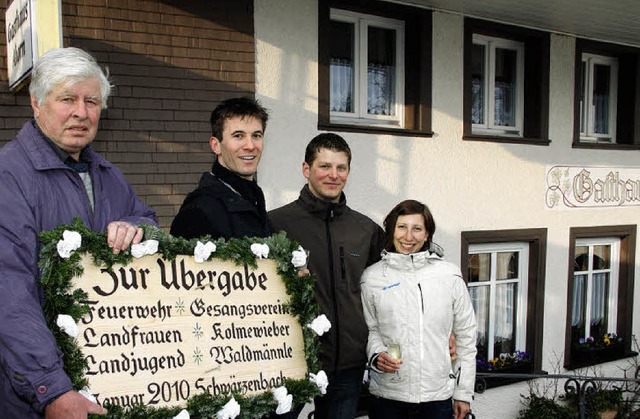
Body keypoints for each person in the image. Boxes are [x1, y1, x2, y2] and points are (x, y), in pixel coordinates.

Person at [0, 47, 158, 419]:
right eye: (67, 99)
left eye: (92, 101)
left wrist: (136, 228)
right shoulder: (9, 177)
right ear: (36, 103)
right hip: (36, 396)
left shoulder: (107, 174)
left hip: (108, 380)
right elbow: (9, 291)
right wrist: (52, 390)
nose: (81, 113)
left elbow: (148, 220)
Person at [269, 133, 386, 419]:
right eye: (324, 166)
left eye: (341, 167)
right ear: (306, 169)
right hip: (292, 360)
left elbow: (395, 280)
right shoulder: (275, 224)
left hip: (347, 364)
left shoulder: (365, 229)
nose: (333, 175)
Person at [360, 199, 477, 419]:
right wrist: (376, 355)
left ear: (427, 235)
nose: (408, 236)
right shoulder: (372, 278)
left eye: (417, 229)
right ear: (391, 231)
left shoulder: (449, 276)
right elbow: (369, 330)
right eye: (402, 227)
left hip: (437, 399)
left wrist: (463, 393)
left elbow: (466, 337)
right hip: (388, 399)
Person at [170, 97, 272, 240]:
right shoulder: (199, 210)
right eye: (238, 136)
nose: (250, 145)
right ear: (216, 145)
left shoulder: (253, 196)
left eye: (256, 135)